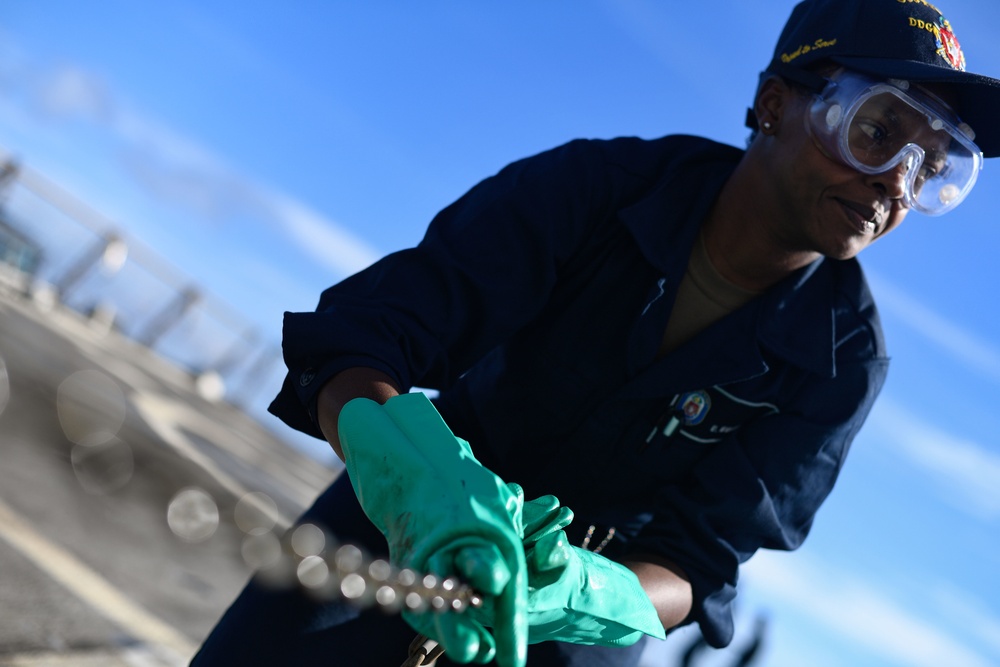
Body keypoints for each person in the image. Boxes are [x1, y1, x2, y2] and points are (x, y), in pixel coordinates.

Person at [191, 0, 1000, 665]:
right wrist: (414, 480)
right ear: (777, 104)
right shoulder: (598, 189)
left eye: (933, 166)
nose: (896, 183)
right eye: (878, 131)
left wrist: (579, 590)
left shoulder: (846, 358)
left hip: (581, 617)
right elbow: (367, 337)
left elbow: (702, 560)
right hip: (406, 516)